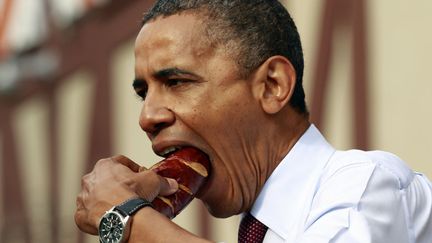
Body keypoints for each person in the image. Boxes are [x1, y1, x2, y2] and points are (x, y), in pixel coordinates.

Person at [74, 1, 432, 242]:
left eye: (177, 82)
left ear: (272, 85)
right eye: (143, 93)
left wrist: (126, 219)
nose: (147, 117)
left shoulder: (364, 186)